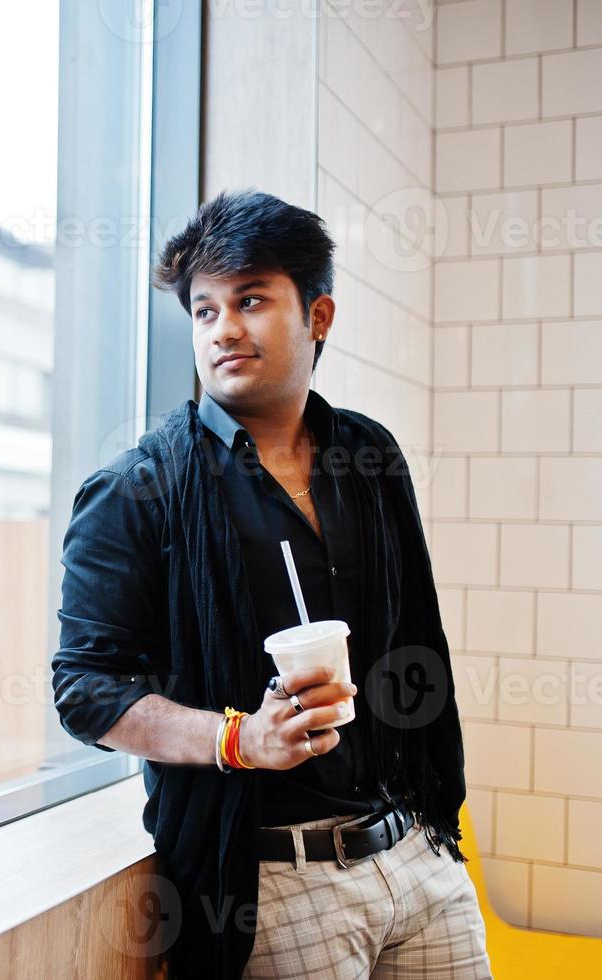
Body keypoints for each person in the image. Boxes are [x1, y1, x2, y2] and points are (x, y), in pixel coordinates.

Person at [51, 189, 491, 978]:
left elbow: (414, 635)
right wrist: (239, 739)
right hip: (274, 881)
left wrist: (434, 826)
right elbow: (85, 689)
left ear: (317, 316)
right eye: (204, 310)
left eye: (250, 300)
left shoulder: (368, 455)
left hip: (416, 852)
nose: (222, 329)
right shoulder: (139, 488)